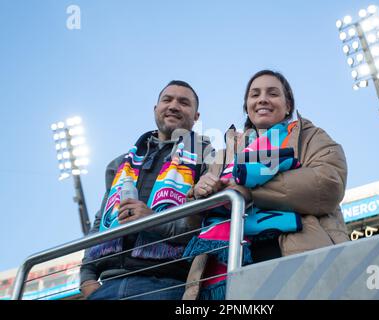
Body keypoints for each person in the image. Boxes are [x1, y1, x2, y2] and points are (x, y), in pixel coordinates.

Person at [182, 70, 349, 300]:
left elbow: (328, 183)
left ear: (288, 105)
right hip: (219, 273)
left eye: (273, 93)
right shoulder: (224, 155)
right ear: (247, 106)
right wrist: (199, 195)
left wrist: (249, 192)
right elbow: (191, 222)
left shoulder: (310, 136)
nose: (262, 99)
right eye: (255, 94)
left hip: (294, 260)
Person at [79, 80, 212, 300]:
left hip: (166, 285)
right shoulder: (120, 164)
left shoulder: (208, 158)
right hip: (106, 286)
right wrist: (86, 277)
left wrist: (152, 219)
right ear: (155, 108)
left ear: (196, 116)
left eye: (183, 102)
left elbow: (205, 227)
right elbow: (99, 223)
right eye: (167, 100)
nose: (173, 106)